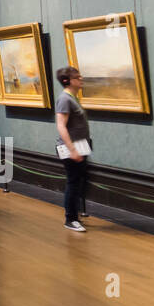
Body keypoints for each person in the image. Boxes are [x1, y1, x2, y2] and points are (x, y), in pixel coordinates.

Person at [55, 66, 93, 232]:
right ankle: (70, 219)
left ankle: (75, 215)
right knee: (73, 182)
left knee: (78, 182)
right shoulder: (64, 99)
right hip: (71, 148)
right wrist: (72, 150)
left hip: (80, 145)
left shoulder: (72, 98)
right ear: (67, 81)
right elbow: (61, 126)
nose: (81, 79)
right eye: (77, 77)